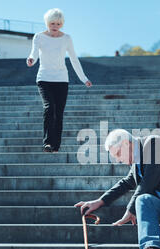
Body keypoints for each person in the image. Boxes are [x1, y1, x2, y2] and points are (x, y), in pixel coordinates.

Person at [27, 8, 92, 153]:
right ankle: (48, 143)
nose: (54, 26)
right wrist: (31, 59)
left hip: (61, 80)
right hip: (44, 78)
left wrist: (84, 79)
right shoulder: (39, 37)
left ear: (61, 24)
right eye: (52, 23)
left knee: (59, 113)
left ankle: (56, 145)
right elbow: (34, 53)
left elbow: (74, 59)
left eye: (57, 23)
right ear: (47, 23)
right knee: (49, 108)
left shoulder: (67, 38)